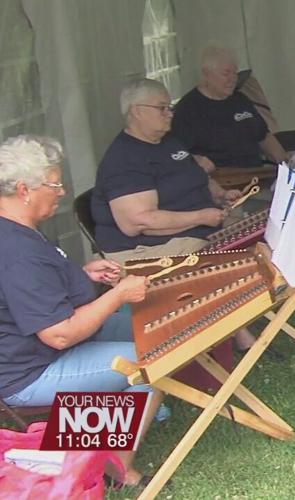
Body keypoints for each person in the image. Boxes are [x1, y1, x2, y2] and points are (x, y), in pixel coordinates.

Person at [0, 135, 161, 487]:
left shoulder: (17, 230)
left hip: (41, 350)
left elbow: (36, 291)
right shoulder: (16, 251)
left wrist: (82, 276)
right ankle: (117, 468)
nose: (62, 192)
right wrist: (118, 295)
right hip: (31, 371)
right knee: (153, 359)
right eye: (54, 184)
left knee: (154, 327)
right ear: (24, 190)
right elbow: (59, 334)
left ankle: (105, 431)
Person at [91, 78, 257, 352]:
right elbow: (139, 222)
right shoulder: (124, 160)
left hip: (192, 228)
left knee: (257, 228)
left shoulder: (168, 142)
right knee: (215, 257)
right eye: (162, 108)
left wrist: (219, 194)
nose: (170, 113)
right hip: (145, 249)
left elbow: (195, 175)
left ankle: (247, 310)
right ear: (137, 111)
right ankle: (240, 333)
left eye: (170, 107)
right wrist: (200, 217)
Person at [170, 44, 288, 173]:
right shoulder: (187, 110)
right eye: (226, 73)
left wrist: (286, 164)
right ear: (206, 74)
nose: (232, 79)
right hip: (222, 178)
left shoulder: (240, 99)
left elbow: (264, 136)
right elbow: (177, 155)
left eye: (234, 73)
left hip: (257, 173)